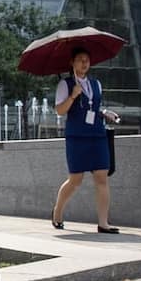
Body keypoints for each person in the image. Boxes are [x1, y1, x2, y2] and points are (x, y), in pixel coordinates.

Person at [51, 47, 120, 233]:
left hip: (97, 135)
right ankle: (57, 211)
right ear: (72, 63)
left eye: (87, 60)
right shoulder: (65, 84)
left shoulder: (96, 84)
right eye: (80, 59)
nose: (84, 63)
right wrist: (73, 95)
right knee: (75, 180)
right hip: (77, 137)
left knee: (101, 177)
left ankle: (103, 223)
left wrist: (105, 112)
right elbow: (59, 110)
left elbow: (93, 107)